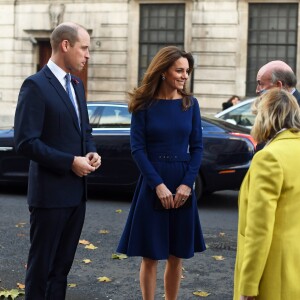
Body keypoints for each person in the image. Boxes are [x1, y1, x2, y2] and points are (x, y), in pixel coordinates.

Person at [14, 22, 101, 299]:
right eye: (84, 48)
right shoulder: (35, 85)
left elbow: (84, 131)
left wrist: (91, 151)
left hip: (77, 195)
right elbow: (26, 142)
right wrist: (70, 162)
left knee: (61, 270)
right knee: (42, 269)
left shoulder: (76, 85)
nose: (87, 55)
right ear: (66, 45)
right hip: (49, 197)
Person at [116, 46, 206, 300]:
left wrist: (187, 184)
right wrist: (157, 185)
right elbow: (137, 149)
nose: (184, 75)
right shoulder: (144, 104)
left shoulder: (191, 104)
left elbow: (198, 148)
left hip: (182, 182)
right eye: (179, 70)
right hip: (152, 182)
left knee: (176, 255)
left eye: (187, 71)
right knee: (150, 254)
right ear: (163, 70)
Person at [233, 88, 300, 300]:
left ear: (266, 117)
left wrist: (249, 286)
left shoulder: (269, 158)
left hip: (272, 270)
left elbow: (259, 229)